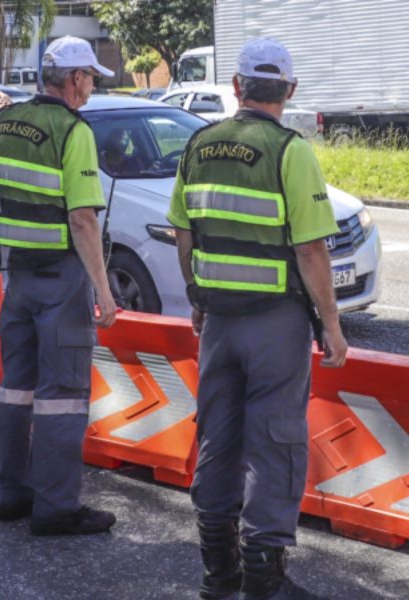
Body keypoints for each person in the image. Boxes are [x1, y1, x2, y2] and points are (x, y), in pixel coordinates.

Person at [168, 38, 348, 599]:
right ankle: (264, 579)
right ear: (289, 91)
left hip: (219, 322)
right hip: (275, 322)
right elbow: (312, 251)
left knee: (218, 436)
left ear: (239, 88)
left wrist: (197, 296)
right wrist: (332, 324)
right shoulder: (289, 151)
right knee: (275, 440)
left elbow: (183, 231)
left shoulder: (198, 143)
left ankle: (218, 574)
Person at [0, 35, 118, 536]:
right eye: (91, 77)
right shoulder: (73, 130)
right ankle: (56, 508)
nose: (93, 85)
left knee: (17, 391)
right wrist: (104, 288)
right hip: (62, 281)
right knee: (62, 396)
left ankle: (13, 496)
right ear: (74, 80)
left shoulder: (2, 124)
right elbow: (82, 220)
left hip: (20, 280)